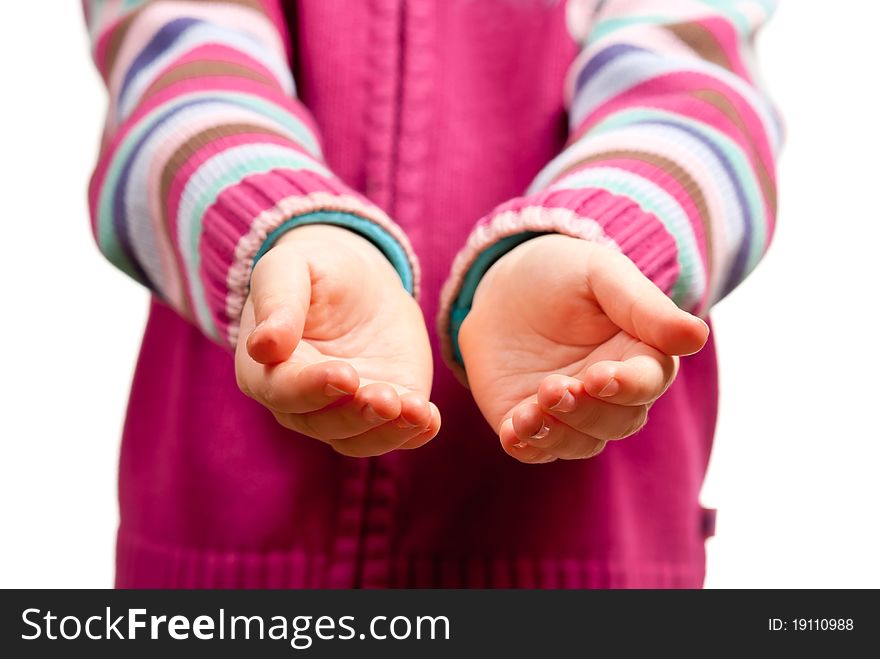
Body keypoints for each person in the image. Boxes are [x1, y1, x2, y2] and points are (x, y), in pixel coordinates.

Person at [83, 0, 780, 587]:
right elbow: (174, 70)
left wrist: (596, 237)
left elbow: (697, 91)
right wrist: (286, 226)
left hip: (585, 549)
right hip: (225, 545)